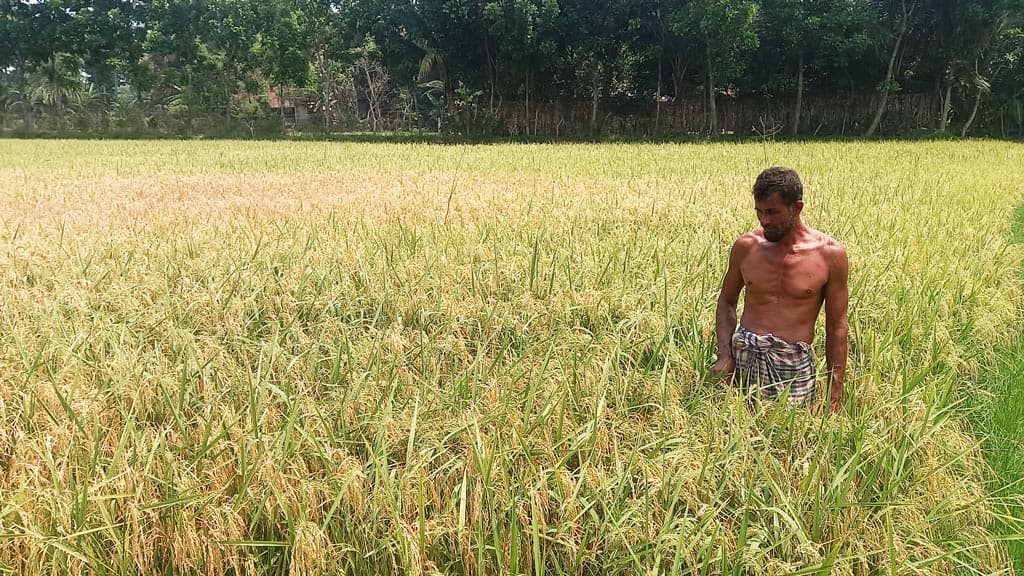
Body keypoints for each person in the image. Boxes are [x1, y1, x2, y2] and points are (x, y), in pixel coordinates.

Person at [711, 167, 849, 414]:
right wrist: (725, 355)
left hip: (793, 366)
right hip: (745, 357)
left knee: (790, 442)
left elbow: (836, 326)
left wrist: (834, 394)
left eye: (773, 212)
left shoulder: (829, 255)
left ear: (797, 208)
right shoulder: (746, 247)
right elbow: (726, 302)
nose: (765, 220)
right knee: (736, 433)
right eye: (759, 212)